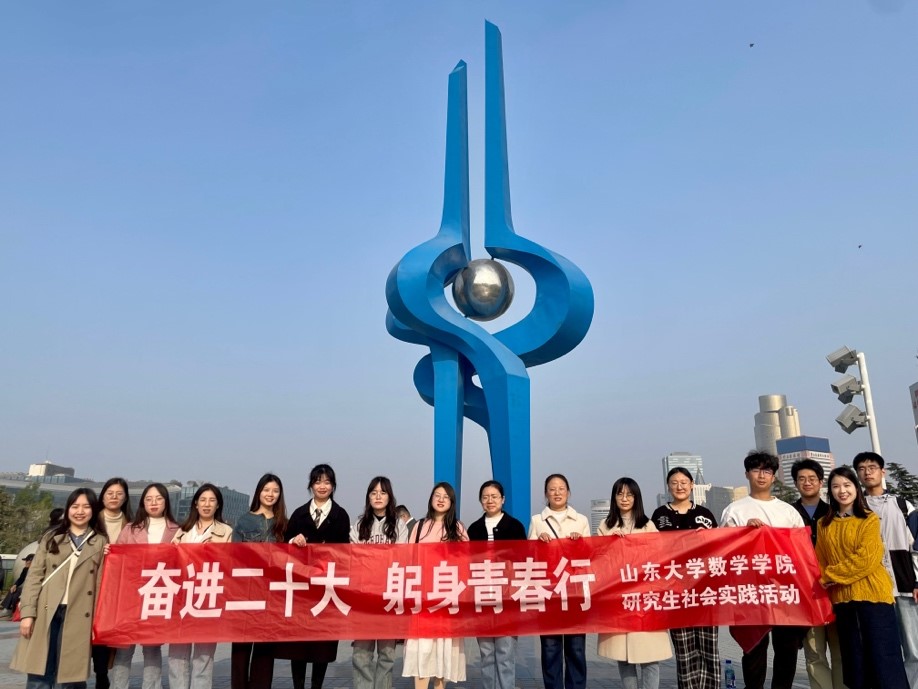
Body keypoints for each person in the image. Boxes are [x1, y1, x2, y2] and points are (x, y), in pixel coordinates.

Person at [815, 466, 909, 688]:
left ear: (856, 488)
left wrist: (830, 575)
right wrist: (825, 576)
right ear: (830, 491)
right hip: (842, 601)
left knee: (884, 659)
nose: (842, 491)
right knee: (854, 661)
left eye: (847, 485)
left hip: (874, 598)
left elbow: (867, 559)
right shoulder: (823, 524)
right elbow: (820, 559)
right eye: (836, 486)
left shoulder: (869, 519)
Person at [720, 451, 807, 689]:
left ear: (773, 476)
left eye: (767, 471)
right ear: (747, 474)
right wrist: (743, 533)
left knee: (787, 648)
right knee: (754, 649)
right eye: (756, 470)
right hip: (751, 591)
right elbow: (723, 550)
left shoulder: (788, 511)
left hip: (784, 590)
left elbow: (802, 551)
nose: (761, 475)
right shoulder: (734, 510)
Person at [10, 488, 107, 689]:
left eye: (86, 507)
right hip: (46, 611)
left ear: (93, 510)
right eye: (75, 506)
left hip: (80, 613)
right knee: (39, 671)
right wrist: (28, 614)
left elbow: (101, 585)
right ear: (68, 509)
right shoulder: (52, 537)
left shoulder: (100, 542)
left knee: (71, 675)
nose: (80, 511)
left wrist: (98, 623)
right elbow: (34, 577)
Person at [597, 478, 672, 689]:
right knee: (624, 657)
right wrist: (610, 543)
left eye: (629, 494)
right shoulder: (605, 526)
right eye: (620, 494)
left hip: (645, 600)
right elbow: (600, 563)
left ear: (636, 498)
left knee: (650, 657)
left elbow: (658, 559)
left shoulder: (648, 525)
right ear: (614, 497)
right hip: (619, 600)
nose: (624, 499)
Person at [852, 451, 918, 687]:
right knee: (881, 649)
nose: (867, 472)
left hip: (904, 585)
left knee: (914, 649)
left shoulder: (903, 505)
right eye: (861, 469)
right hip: (871, 590)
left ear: (883, 472)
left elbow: (916, 547)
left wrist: (917, 582)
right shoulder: (854, 508)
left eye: (872, 467)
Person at [281, 464, 350, 689]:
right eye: (318, 481)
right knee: (298, 644)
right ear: (311, 485)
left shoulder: (341, 515)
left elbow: (345, 552)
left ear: (333, 486)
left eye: (327, 482)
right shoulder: (299, 514)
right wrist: (293, 541)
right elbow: (283, 546)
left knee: (322, 644)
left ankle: (317, 686)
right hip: (301, 590)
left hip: (327, 590)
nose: (322, 486)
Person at [649, 467, 718, 689]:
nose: (679, 486)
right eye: (674, 482)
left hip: (705, 591)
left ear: (692, 485)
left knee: (709, 649)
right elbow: (651, 549)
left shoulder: (705, 514)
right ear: (668, 486)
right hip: (675, 592)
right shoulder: (660, 515)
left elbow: (719, 547)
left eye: (684, 482)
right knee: (685, 651)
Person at [109, 484, 181, 689]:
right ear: (143, 503)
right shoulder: (130, 529)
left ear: (166, 502)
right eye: (149, 499)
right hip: (130, 595)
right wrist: (110, 552)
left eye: (158, 498)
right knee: (124, 649)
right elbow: (117, 560)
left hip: (158, 594)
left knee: (152, 649)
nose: (153, 503)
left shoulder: (177, 530)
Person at [402, 482, 468, 689]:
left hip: (446, 602)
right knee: (420, 652)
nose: (441, 499)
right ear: (431, 498)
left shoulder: (458, 528)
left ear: (452, 502)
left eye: (446, 497)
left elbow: (466, 565)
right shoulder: (419, 527)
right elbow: (409, 561)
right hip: (422, 601)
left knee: (443, 653)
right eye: (437, 495)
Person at [528, 473, 590, 689]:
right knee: (550, 647)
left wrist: (580, 543)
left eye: (561, 488)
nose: (557, 493)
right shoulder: (537, 520)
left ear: (568, 492)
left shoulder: (581, 520)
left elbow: (589, 556)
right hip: (549, 592)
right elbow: (529, 556)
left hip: (574, 592)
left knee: (576, 648)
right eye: (552, 489)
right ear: (546, 493)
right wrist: (538, 543)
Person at [168, 484, 233, 689]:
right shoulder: (182, 530)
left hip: (208, 597)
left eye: (212, 500)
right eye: (203, 500)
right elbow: (170, 563)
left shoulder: (226, 532)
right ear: (195, 503)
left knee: (203, 657)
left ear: (218, 505)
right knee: (177, 655)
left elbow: (230, 565)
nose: (207, 504)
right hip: (182, 598)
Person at [790, 460, 844, 689]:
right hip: (807, 593)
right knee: (814, 652)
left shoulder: (835, 511)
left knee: (841, 651)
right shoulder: (788, 513)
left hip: (836, 590)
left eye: (812, 478)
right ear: (795, 483)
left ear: (821, 482)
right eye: (802, 479)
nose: (807, 483)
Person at [350, 476, 409, 689]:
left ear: (389, 497)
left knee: (387, 654)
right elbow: (354, 557)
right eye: (373, 492)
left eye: (383, 493)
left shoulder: (399, 526)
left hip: (388, 597)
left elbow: (401, 558)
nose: (378, 496)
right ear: (368, 497)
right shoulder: (359, 525)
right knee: (361, 653)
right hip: (364, 597)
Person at [467, 480, 526, 689]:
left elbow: (524, 561)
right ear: (480, 501)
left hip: (508, 599)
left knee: (505, 652)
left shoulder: (515, 526)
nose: (490, 500)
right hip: (482, 598)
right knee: (486, 653)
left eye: (494, 496)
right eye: (485, 497)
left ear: (503, 499)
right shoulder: (474, 529)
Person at [231, 473, 288, 689]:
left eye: (275, 491)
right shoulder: (244, 521)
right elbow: (234, 557)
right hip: (245, 592)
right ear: (259, 492)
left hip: (271, 595)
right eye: (266, 490)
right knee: (241, 649)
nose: (270, 494)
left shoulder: (283, 523)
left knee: (265, 650)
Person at [94, 478, 133, 689]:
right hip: (93, 583)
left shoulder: (131, 525)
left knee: (107, 631)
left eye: (119, 494)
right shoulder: (91, 519)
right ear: (102, 496)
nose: (114, 497)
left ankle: (101, 673)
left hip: (119, 587)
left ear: (125, 498)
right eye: (110, 493)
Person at [0, 553, 34, 619]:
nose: (25, 563)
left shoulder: (35, 571)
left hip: (31, 589)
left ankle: (8, 610)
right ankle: (7, 609)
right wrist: (15, 585)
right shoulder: (25, 569)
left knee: (17, 592)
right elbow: (21, 579)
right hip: (25, 588)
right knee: (13, 591)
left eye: (27, 561)